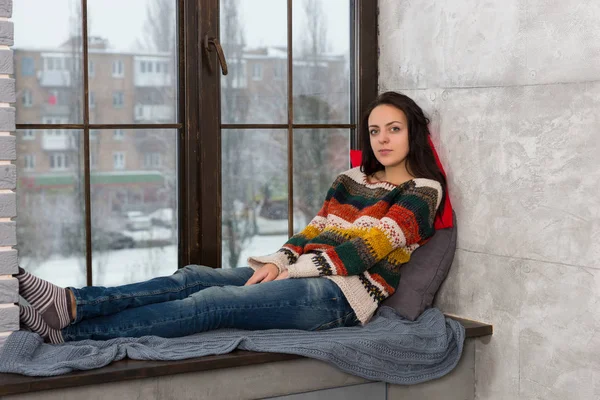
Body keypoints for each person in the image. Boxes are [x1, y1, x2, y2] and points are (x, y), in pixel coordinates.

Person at [17, 92, 447, 344]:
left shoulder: (424, 191)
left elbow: (364, 252)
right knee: (191, 277)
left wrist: (291, 271)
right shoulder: (351, 178)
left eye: (393, 128)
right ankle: (73, 304)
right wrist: (280, 260)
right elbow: (317, 230)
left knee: (212, 303)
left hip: (342, 299)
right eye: (375, 131)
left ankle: (68, 335)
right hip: (303, 275)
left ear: (412, 130)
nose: (383, 139)